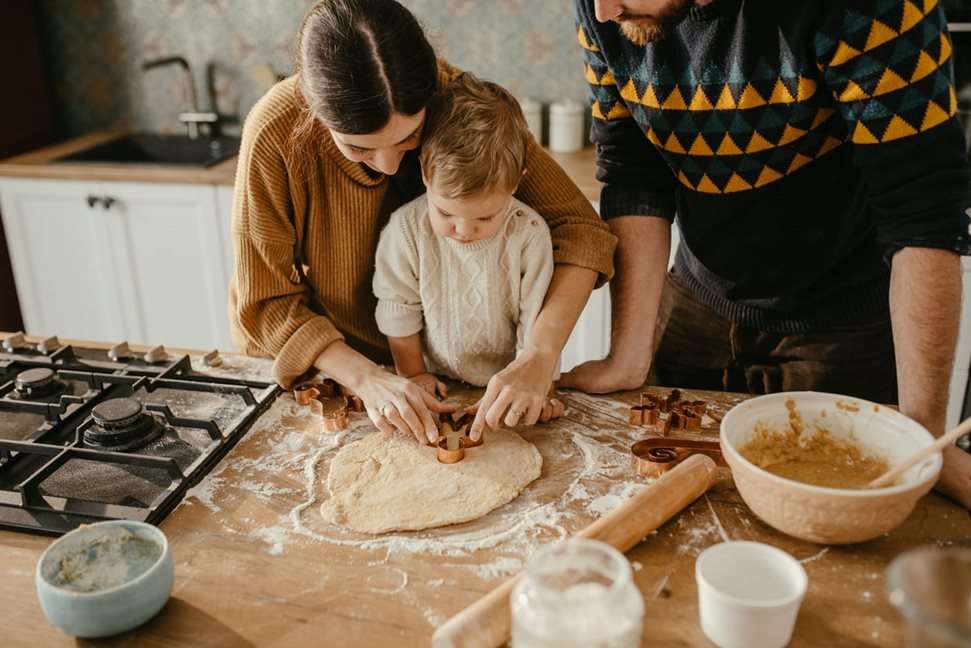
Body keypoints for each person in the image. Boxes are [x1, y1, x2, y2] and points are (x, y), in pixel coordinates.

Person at [560, 0, 971, 509]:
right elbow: (634, 172)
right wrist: (626, 356)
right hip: (694, 301)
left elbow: (921, 215)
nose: (602, 11)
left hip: (842, 326)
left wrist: (923, 433)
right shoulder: (610, 11)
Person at [228, 0, 615, 445]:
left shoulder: (460, 102)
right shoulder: (275, 130)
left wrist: (540, 355)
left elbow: (581, 230)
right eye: (359, 149)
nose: (390, 166)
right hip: (330, 369)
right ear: (316, 113)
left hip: (436, 377)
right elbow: (266, 302)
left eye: (409, 138)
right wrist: (368, 378)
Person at [372, 74, 564, 427]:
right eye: (445, 212)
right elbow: (398, 309)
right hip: (436, 382)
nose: (462, 231)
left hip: (507, 383)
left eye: (485, 217)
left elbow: (534, 324)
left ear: (516, 182)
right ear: (425, 174)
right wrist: (413, 375)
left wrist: (541, 387)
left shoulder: (529, 235)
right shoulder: (406, 230)